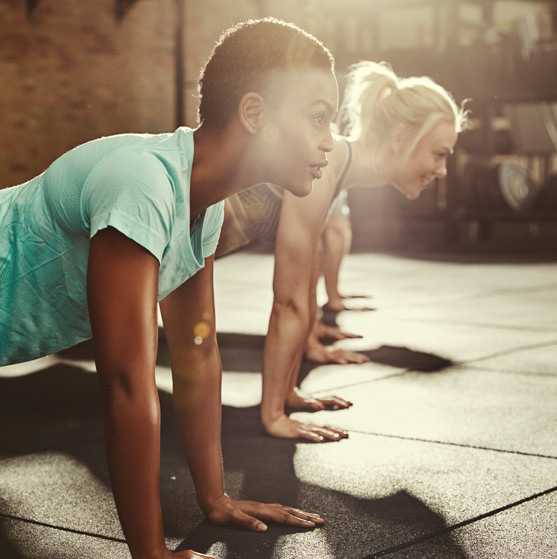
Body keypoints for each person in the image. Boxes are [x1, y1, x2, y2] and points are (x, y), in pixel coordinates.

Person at [0, 18, 339, 559]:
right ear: (253, 114)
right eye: (319, 118)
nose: (330, 141)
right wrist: (151, 554)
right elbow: (128, 386)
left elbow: (196, 353)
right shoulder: (142, 185)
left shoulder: (198, 207)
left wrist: (216, 498)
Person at [259, 61, 468, 442]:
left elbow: (306, 282)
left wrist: (291, 385)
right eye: (439, 154)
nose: (443, 170)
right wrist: (275, 413)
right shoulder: (326, 159)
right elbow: (287, 299)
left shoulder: (336, 166)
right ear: (402, 136)